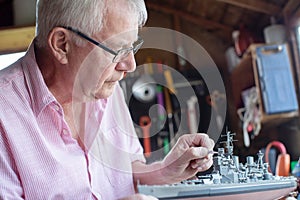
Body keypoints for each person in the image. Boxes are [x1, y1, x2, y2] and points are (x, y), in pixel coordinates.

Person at [0, 0, 215, 199]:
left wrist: (165, 170)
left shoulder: (105, 89)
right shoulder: (4, 112)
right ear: (62, 44)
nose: (130, 65)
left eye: (132, 48)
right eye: (118, 50)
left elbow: (125, 170)